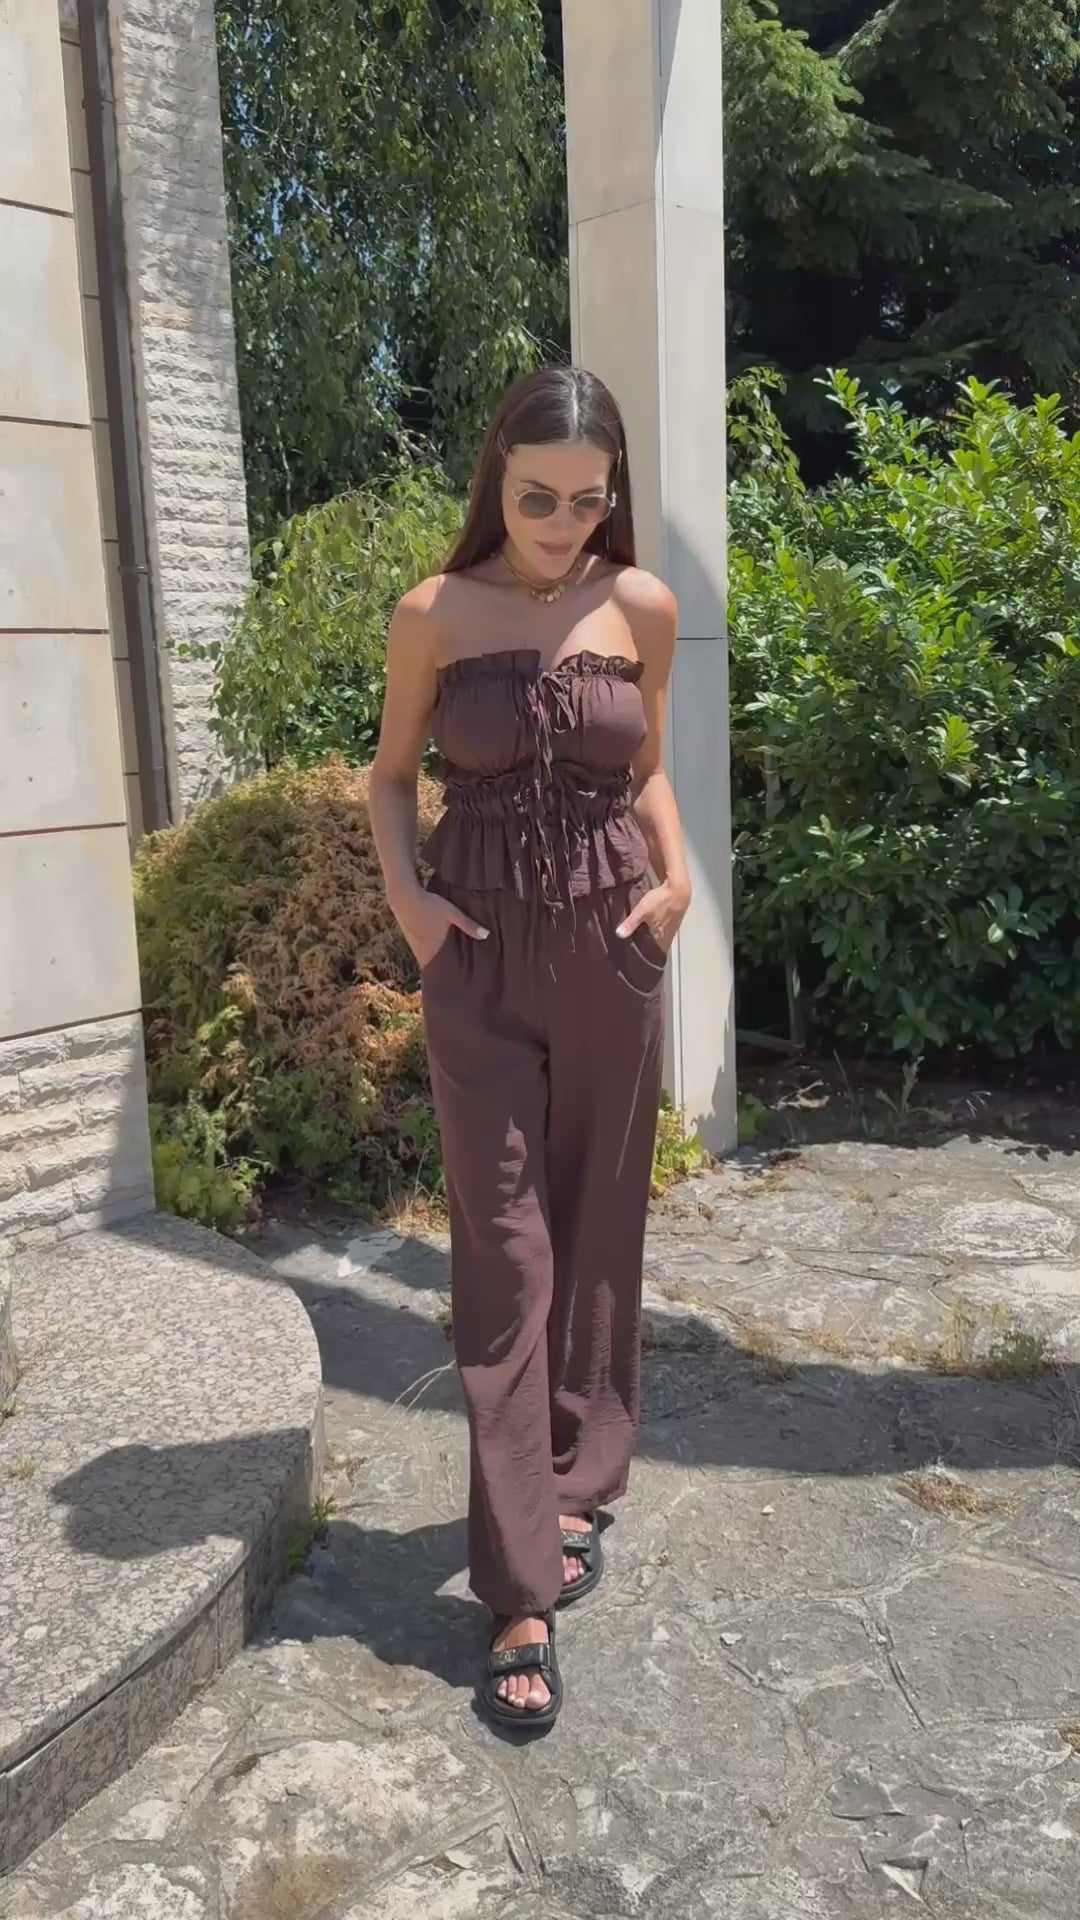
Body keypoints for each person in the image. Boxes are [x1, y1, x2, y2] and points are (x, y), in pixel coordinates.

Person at [370, 365, 691, 1730]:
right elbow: (393, 776)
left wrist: (677, 886)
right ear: (495, 482)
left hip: (612, 950)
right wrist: (412, 907)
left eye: (586, 500)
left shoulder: (642, 606)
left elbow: (649, 768)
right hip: (481, 962)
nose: (561, 526)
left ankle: (573, 1481)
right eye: (535, 498)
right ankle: (517, 1594)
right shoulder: (435, 613)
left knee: (598, 1226)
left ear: (613, 493)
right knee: (505, 1255)